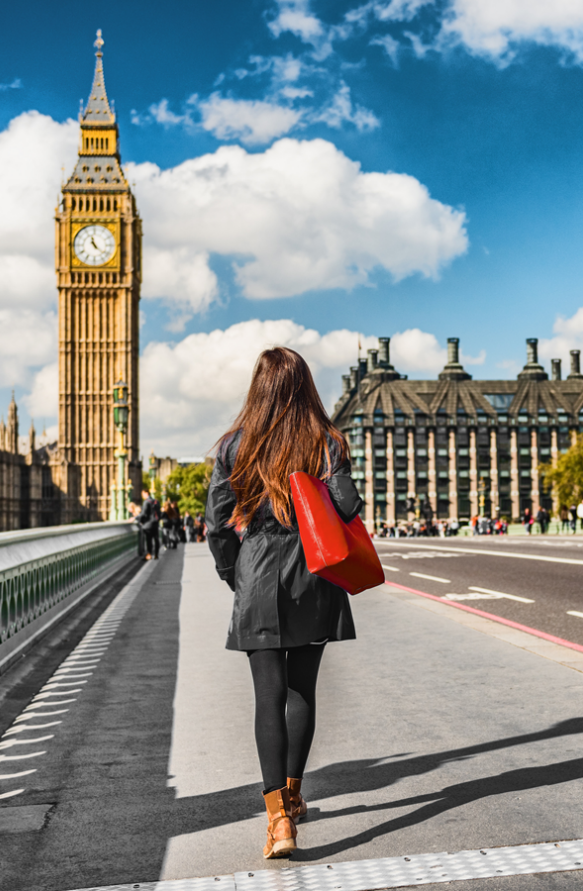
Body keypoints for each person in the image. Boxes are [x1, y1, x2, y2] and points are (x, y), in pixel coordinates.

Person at [206, 347, 363, 860]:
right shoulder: (326, 441)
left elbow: (217, 524)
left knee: (267, 696)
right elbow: (346, 506)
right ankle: (293, 799)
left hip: (257, 572)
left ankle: (277, 822)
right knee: (302, 693)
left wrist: (236, 574)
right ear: (305, 387)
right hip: (314, 574)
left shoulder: (234, 445)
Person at [137, 489, 160, 559]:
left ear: (146, 493)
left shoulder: (146, 502)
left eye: (143, 494)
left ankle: (149, 554)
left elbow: (144, 514)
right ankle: (156, 554)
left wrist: (139, 520)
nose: (142, 496)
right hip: (155, 523)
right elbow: (159, 513)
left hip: (148, 524)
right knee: (156, 539)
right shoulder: (156, 501)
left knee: (148, 540)